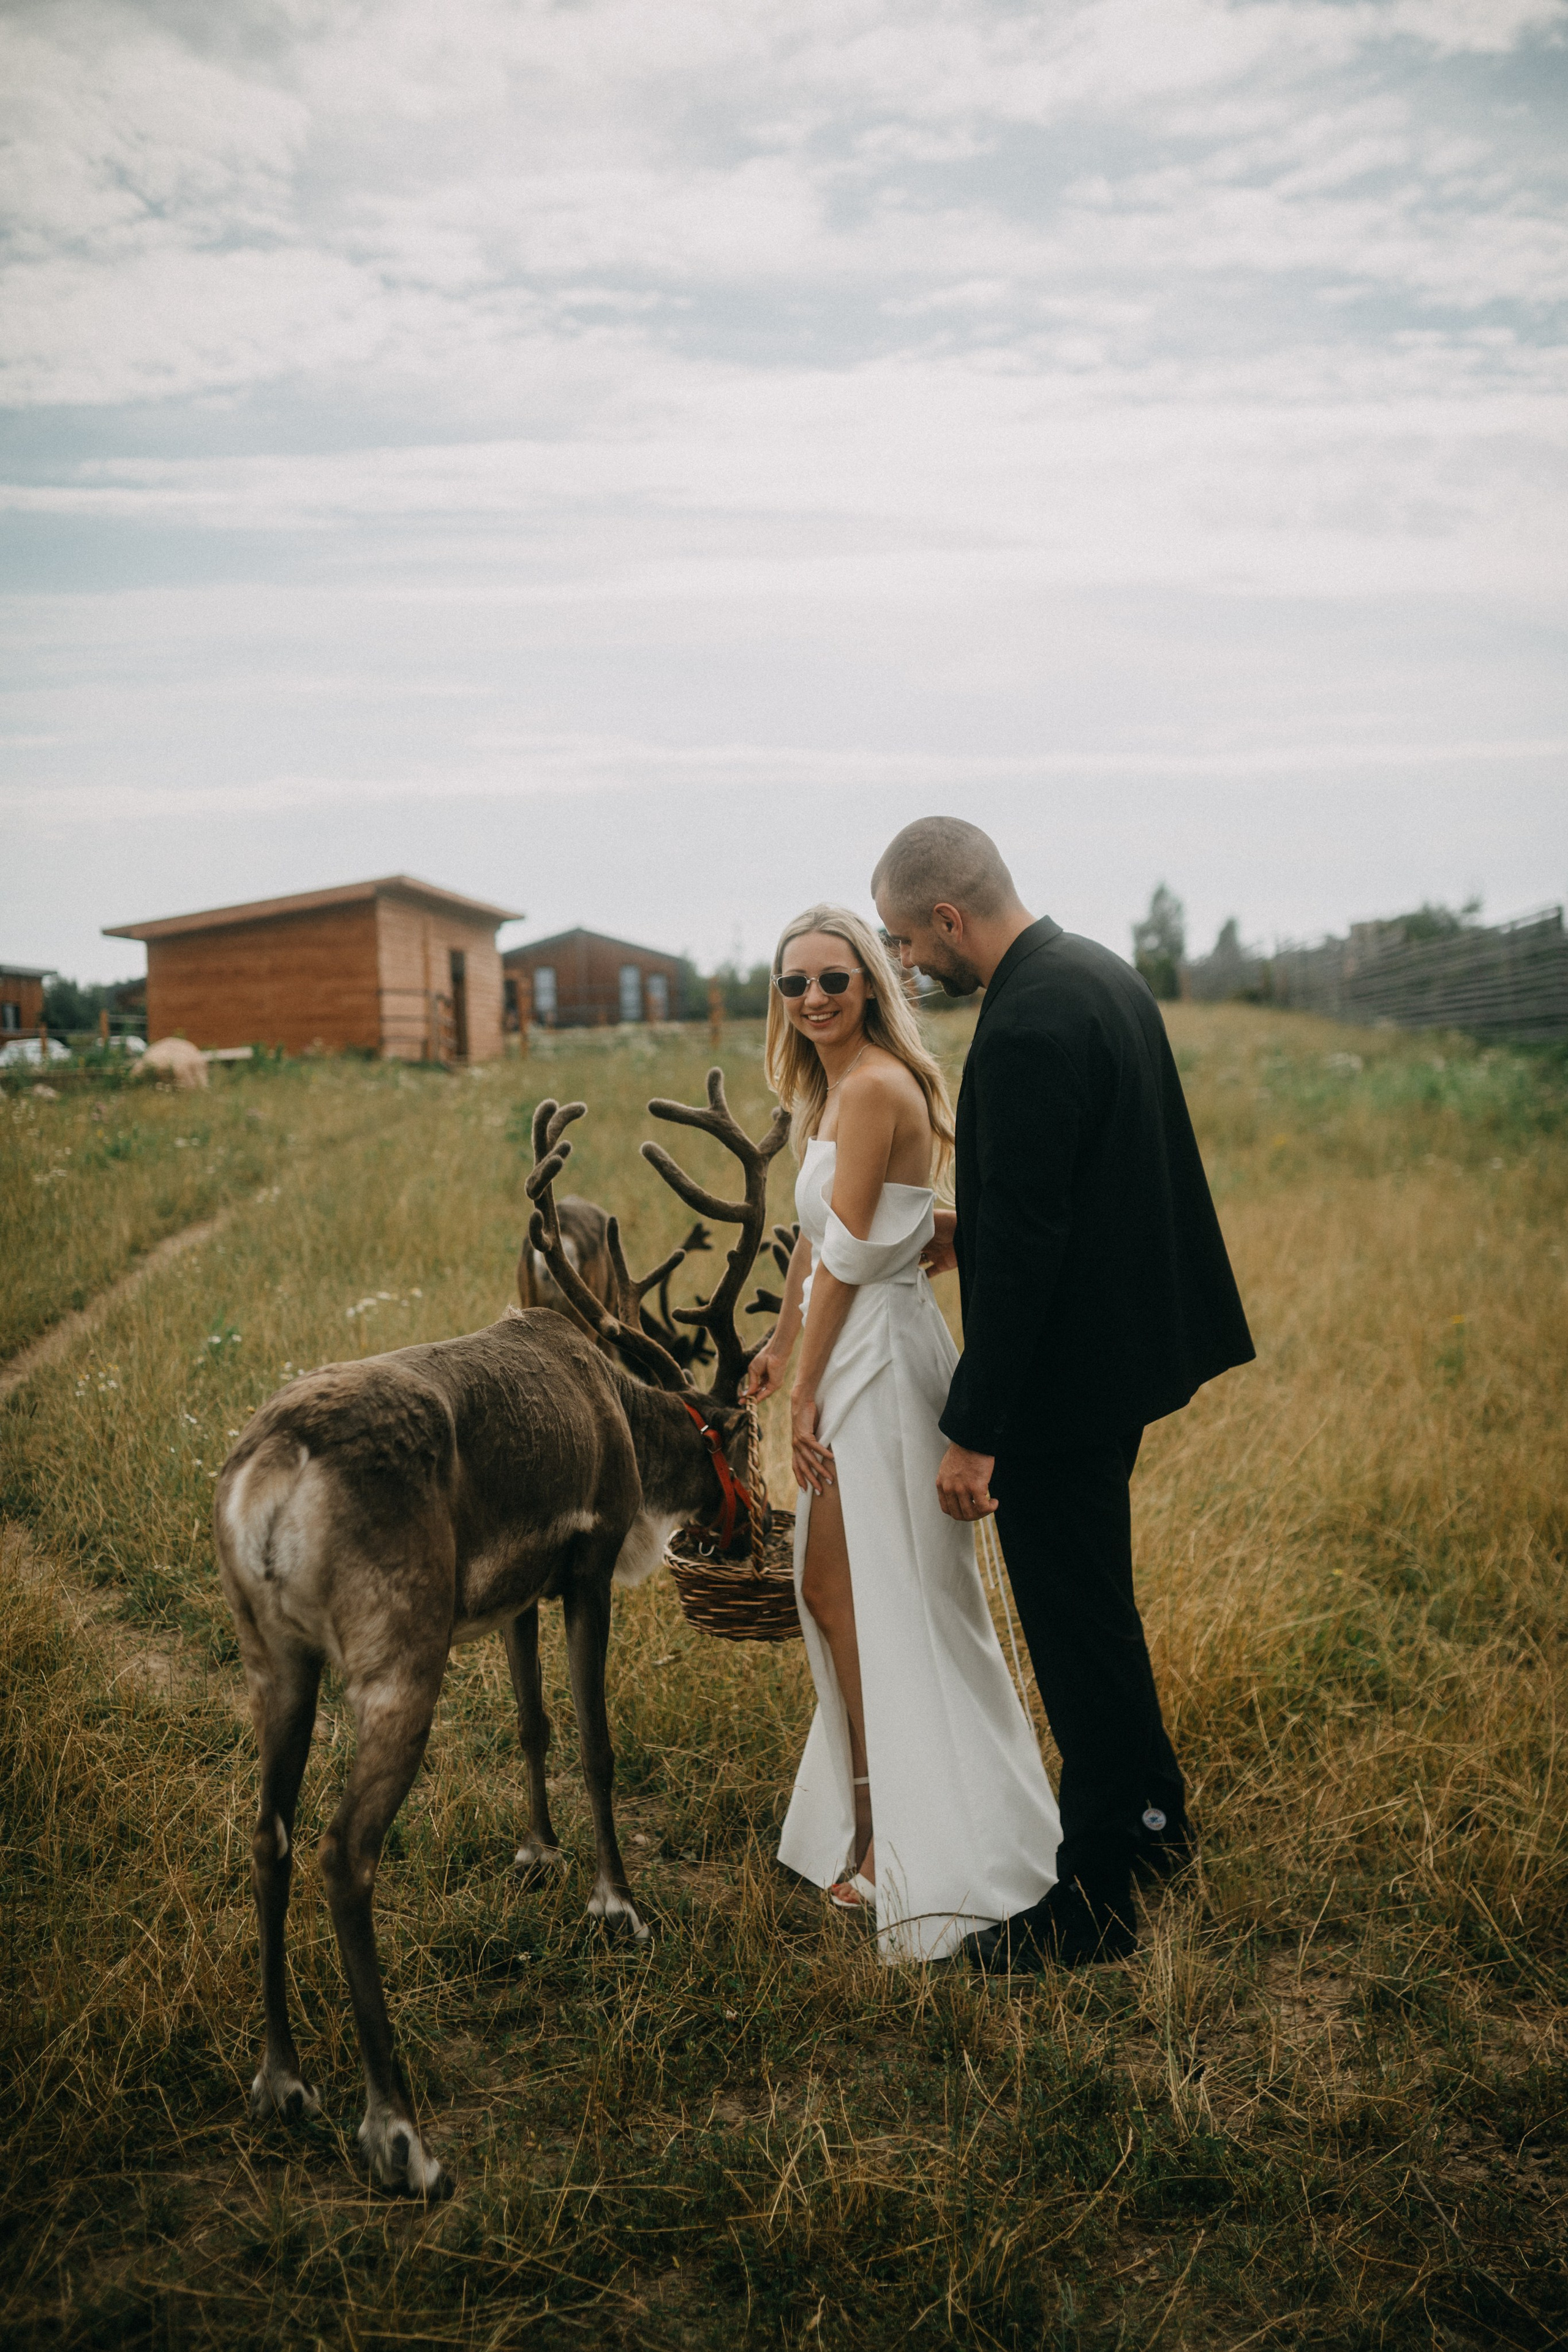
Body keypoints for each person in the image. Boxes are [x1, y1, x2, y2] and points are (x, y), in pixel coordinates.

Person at [871, 818, 1255, 1971]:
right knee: (1099, 1603)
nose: (904, 966)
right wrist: (969, 1228)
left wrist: (976, 1435)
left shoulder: (1029, 1022)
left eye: (902, 940)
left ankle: (1094, 1899)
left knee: (1075, 1620)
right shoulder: (1096, 973)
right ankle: (1150, 1821)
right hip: (1119, 1353)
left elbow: (1036, 1240)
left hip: (1065, 1382)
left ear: (949, 917)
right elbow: (1064, 1190)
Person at [744, 903, 1060, 1962]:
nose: (815, 998)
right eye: (796, 984)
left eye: (835, 978)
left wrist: (805, 1392)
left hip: (878, 1366)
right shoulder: (828, 1093)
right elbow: (819, 1240)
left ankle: (932, 1838)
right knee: (834, 1595)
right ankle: (872, 1820)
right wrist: (783, 1348)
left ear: (872, 982)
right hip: (845, 1350)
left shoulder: (877, 1086)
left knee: (901, 1598)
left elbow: (850, 1259)